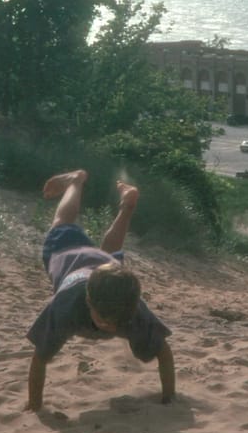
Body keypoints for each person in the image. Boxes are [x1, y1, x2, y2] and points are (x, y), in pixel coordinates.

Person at [25, 170, 175, 412]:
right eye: (104, 321)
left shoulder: (130, 304)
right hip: (68, 256)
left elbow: (164, 352)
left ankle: (127, 206)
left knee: (109, 257)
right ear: (88, 301)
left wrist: (170, 397)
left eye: (118, 323)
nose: (111, 328)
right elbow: (40, 358)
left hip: (104, 267)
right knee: (62, 224)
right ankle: (76, 182)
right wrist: (34, 406)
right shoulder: (65, 305)